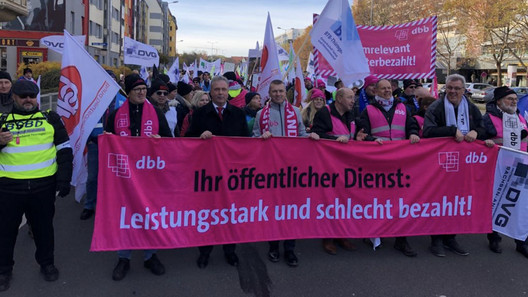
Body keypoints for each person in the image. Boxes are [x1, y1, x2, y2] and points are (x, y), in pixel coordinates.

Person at [0, 80, 73, 291]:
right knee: (5, 233)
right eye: (23, 96)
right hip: (9, 190)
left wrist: (64, 179)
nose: (28, 100)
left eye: (31, 96)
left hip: (43, 188)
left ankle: (47, 264)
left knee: (44, 231)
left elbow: (65, 150)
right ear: (14, 97)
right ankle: (4, 270)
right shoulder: (3, 120)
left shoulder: (50, 118)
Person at [105, 74, 172, 281]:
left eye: (144, 88)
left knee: (148, 216)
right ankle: (123, 258)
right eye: (137, 89)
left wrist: (160, 141)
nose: (142, 92)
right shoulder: (116, 114)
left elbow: (170, 141)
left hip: (150, 176)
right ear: (129, 92)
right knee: (125, 217)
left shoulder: (156, 114)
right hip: (124, 177)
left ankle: (149, 256)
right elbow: (107, 145)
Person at [253, 80, 320, 267]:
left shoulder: (295, 112)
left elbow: (300, 133)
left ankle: (290, 249)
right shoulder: (261, 114)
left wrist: (310, 136)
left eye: (281, 91)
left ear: (285, 92)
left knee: (291, 212)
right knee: (274, 211)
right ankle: (273, 246)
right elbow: (253, 138)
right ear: (269, 93)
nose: (278, 94)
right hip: (271, 172)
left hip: (292, 172)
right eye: (274, 91)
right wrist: (260, 138)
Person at [185, 75, 248, 269]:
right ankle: (205, 252)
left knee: (230, 213)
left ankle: (230, 251)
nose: (220, 93)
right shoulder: (200, 113)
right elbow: (187, 139)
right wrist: (199, 137)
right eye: (216, 90)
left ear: (228, 91)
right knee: (207, 214)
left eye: (223, 89)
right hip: (208, 174)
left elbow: (247, 142)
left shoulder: (237, 113)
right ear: (210, 92)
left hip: (231, 175)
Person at [423, 73, 486, 257]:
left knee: (457, 201)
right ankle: (436, 240)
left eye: (457, 88)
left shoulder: (472, 108)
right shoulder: (436, 107)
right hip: (440, 165)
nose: (452, 91)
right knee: (439, 201)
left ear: (464, 90)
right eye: (450, 88)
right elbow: (427, 131)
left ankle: (451, 237)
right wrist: (451, 131)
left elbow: (484, 129)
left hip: (464, 165)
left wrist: (475, 131)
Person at [356, 79, 420, 257]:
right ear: (375, 91)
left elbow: (411, 125)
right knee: (378, 200)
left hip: (400, 163)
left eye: (388, 88)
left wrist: (413, 133)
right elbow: (362, 132)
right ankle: (375, 232)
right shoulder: (368, 110)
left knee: (402, 202)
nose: (386, 91)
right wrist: (370, 140)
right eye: (382, 88)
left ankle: (402, 239)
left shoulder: (403, 107)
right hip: (378, 164)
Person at [312, 87, 362, 255]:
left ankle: (342, 234)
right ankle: (328, 237)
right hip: (330, 166)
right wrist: (335, 140)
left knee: (346, 201)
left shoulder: (352, 113)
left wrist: (363, 138)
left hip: (348, 165)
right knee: (331, 201)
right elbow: (316, 135)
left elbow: (353, 136)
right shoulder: (324, 113)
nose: (353, 100)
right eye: (349, 97)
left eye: (353, 98)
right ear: (339, 98)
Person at [482, 86, 528, 256]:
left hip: (520, 166)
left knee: (521, 204)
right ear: (499, 102)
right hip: (498, 167)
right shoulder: (489, 118)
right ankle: (494, 237)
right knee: (497, 202)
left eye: (515, 99)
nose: (514, 102)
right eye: (510, 99)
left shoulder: (519, 116)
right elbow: (481, 138)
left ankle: (521, 241)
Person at [80, 70, 124, 220]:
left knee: (116, 178)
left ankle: (113, 205)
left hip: (116, 147)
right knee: (93, 177)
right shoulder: (91, 100)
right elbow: (83, 122)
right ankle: (89, 205)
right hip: (95, 145)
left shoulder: (122, 101)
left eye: (112, 80)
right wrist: (88, 140)